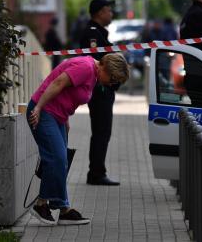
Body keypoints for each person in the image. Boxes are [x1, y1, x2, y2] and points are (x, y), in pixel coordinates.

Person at [27, 53, 129, 225]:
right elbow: (58, 83)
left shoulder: (93, 74)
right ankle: (41, 203)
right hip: (44, 112)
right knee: (57, 158)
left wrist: (65, 119)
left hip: (57, 116)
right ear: (105, 68)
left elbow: (66, 94)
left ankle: (63, 208)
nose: (111, 84)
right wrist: (38, 108)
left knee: (62, 159)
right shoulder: (86, 67)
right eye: (112, 79)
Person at [79, 0, 122, 186]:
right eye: (108, 10)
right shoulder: (92, 34)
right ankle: (96, 173)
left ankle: (97, 171)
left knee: (102, 131)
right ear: (99, 12)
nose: (110, 13)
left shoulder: (99, 33)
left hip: (103, 89)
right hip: (99, 90)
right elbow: (99, 61)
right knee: (101, 131)